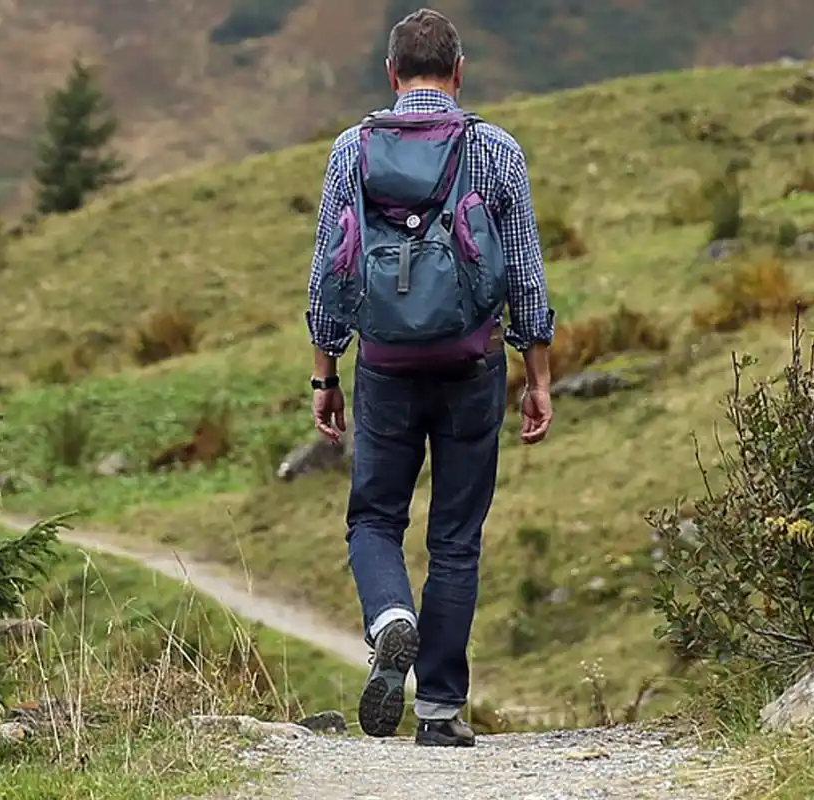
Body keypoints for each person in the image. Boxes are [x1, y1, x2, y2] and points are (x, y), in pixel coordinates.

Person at [302, 8, 555, 747]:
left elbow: (327, 275)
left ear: (391, 74)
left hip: (383, 366)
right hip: (472, 364)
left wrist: (326, 376)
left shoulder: (352, 150)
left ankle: (390, 618)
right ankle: (439, 710)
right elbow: (527, 277)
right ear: (459, 71)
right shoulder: (497, 151)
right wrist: (537, 374)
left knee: (375, 518)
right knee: (456, 538)